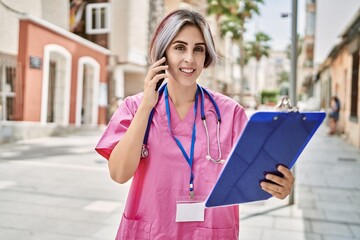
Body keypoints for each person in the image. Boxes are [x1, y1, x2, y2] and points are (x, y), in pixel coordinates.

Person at [95, 9, 294, 239]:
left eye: (198, 49)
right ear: (163, 54)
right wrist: (146, 107)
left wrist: (279, 186)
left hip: (210, 232)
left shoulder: (230, 113)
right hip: (151, 232)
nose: (190, 58)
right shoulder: (135, 108)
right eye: (180, 47)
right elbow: (119, 173)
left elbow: (255, 175)